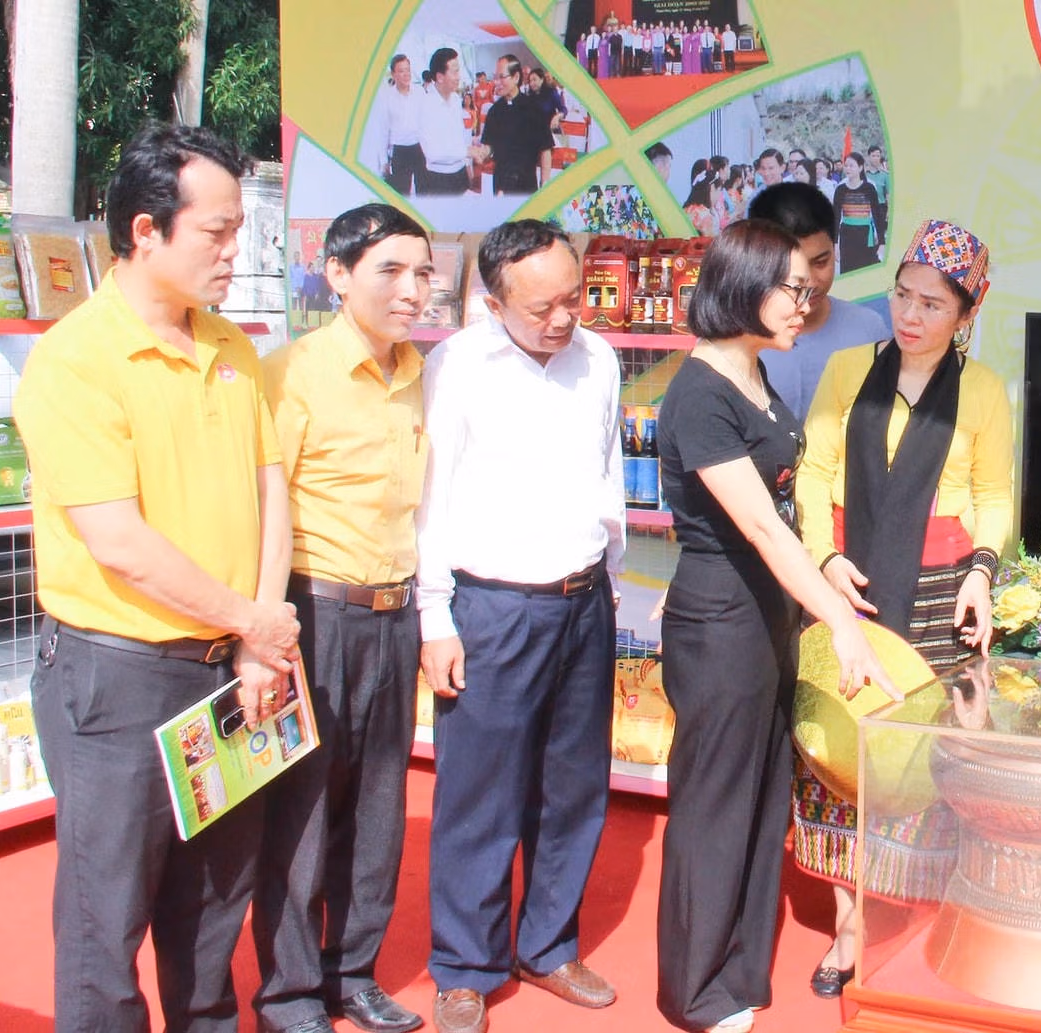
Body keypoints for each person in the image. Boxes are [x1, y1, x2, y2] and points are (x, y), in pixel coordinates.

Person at [15, 123, 301, 1032]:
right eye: (217, 231)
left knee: (214, 907)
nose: (234, 250)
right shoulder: (75, 359)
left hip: (232, 664)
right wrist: (254, 623)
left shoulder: (232, 346)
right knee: (106, 921)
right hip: (119, 675)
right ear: (146, 230)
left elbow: (271, 492)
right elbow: (119, 541)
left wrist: (258, 633)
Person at [654, 219, 893, 1033]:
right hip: (721, 619)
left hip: (767, 615)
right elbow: (759, 525)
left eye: (809, 286)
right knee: (715, 803)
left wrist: (825, 575)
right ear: (744, 287)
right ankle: (695, 990)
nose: (806, 301)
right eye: (792, 287)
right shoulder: (698, 393)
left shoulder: (756, 371)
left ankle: (739, 969)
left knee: (762, 799)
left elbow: (786, 508)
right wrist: (840, 621)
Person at [791, 218, 1014, 998]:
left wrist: (982, 573)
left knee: (926, 760)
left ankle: (917, 914)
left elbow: (994, 495)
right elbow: (813, 472)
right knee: (836, 749)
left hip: (939, 595)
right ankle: (849, 924)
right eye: (902, 295)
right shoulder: (849, 368)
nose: (910, 315)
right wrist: (823, 559)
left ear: (968, 313)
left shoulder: (982, 391)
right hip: (848, 585)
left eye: (933, 304)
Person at [416, 221, 625, 1033]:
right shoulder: (457, 366)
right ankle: (466, 966)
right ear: (492, 301)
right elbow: (429, 502)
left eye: (573, 298)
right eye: (541, 307)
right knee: (479, 791)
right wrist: (436, 616)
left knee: (574, 786)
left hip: (583, 600)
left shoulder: (598, 359)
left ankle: (547, 943)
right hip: (493, 607)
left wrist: (609, 587)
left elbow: (608, 476)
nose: (563, 318)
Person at [252, 204, 433, 1033]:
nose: (411, 290)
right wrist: (261, 631)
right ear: (337, 274)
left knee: (378, 809)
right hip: (313, 612)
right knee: (301, 808)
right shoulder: (289, 374)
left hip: (395, 615)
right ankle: (288, 993)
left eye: (423, 273)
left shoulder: (418, 373)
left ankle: (351, 973)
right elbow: (260, 510)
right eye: (389, 270)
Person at [748, 184, 892, 419]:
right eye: (792, 268)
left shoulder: (869, 331)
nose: (810, 282)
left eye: (821, 262)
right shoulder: (734, 341)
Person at [477, 55, 550, 195]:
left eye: (501, 77)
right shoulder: (494, 111)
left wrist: (545, 183)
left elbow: (545, 149)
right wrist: (482, 152)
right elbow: (489, 145)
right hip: (501, 183)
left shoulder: (534, 109)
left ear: (516, 77)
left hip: (527, 183)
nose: (496, 82)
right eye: (495, 77)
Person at [362, 55, 425, 196]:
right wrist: (384, 160)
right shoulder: (386, 97)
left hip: (420, 148)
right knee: (401, 194)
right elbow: (383, 130)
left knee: (424, 192)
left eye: (408, 70)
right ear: (393, 74)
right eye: (401, 71)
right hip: (399, 150)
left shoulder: (420, 92)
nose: (406, 74)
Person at [418, 48, 475, 196]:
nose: (459, 77)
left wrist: (467, 165)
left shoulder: (455, 99)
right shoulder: (426, 106)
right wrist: (467, 152)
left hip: (460, 174)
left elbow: (459, 137)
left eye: (458, 71)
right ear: (440, 77)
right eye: (454, 72)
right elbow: (433, 153)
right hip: (439, 180)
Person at [833, 153, 886, 273]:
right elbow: (836, 217)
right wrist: (835, 243)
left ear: (860, 167)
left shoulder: (869, 188)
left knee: (866, 271)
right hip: (847, 235)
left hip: (865, 234)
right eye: (846, 165)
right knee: (848, 271)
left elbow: (877, 215)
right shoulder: (840, 189)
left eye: (851, 166)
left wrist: (882, 242)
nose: (848, 168)